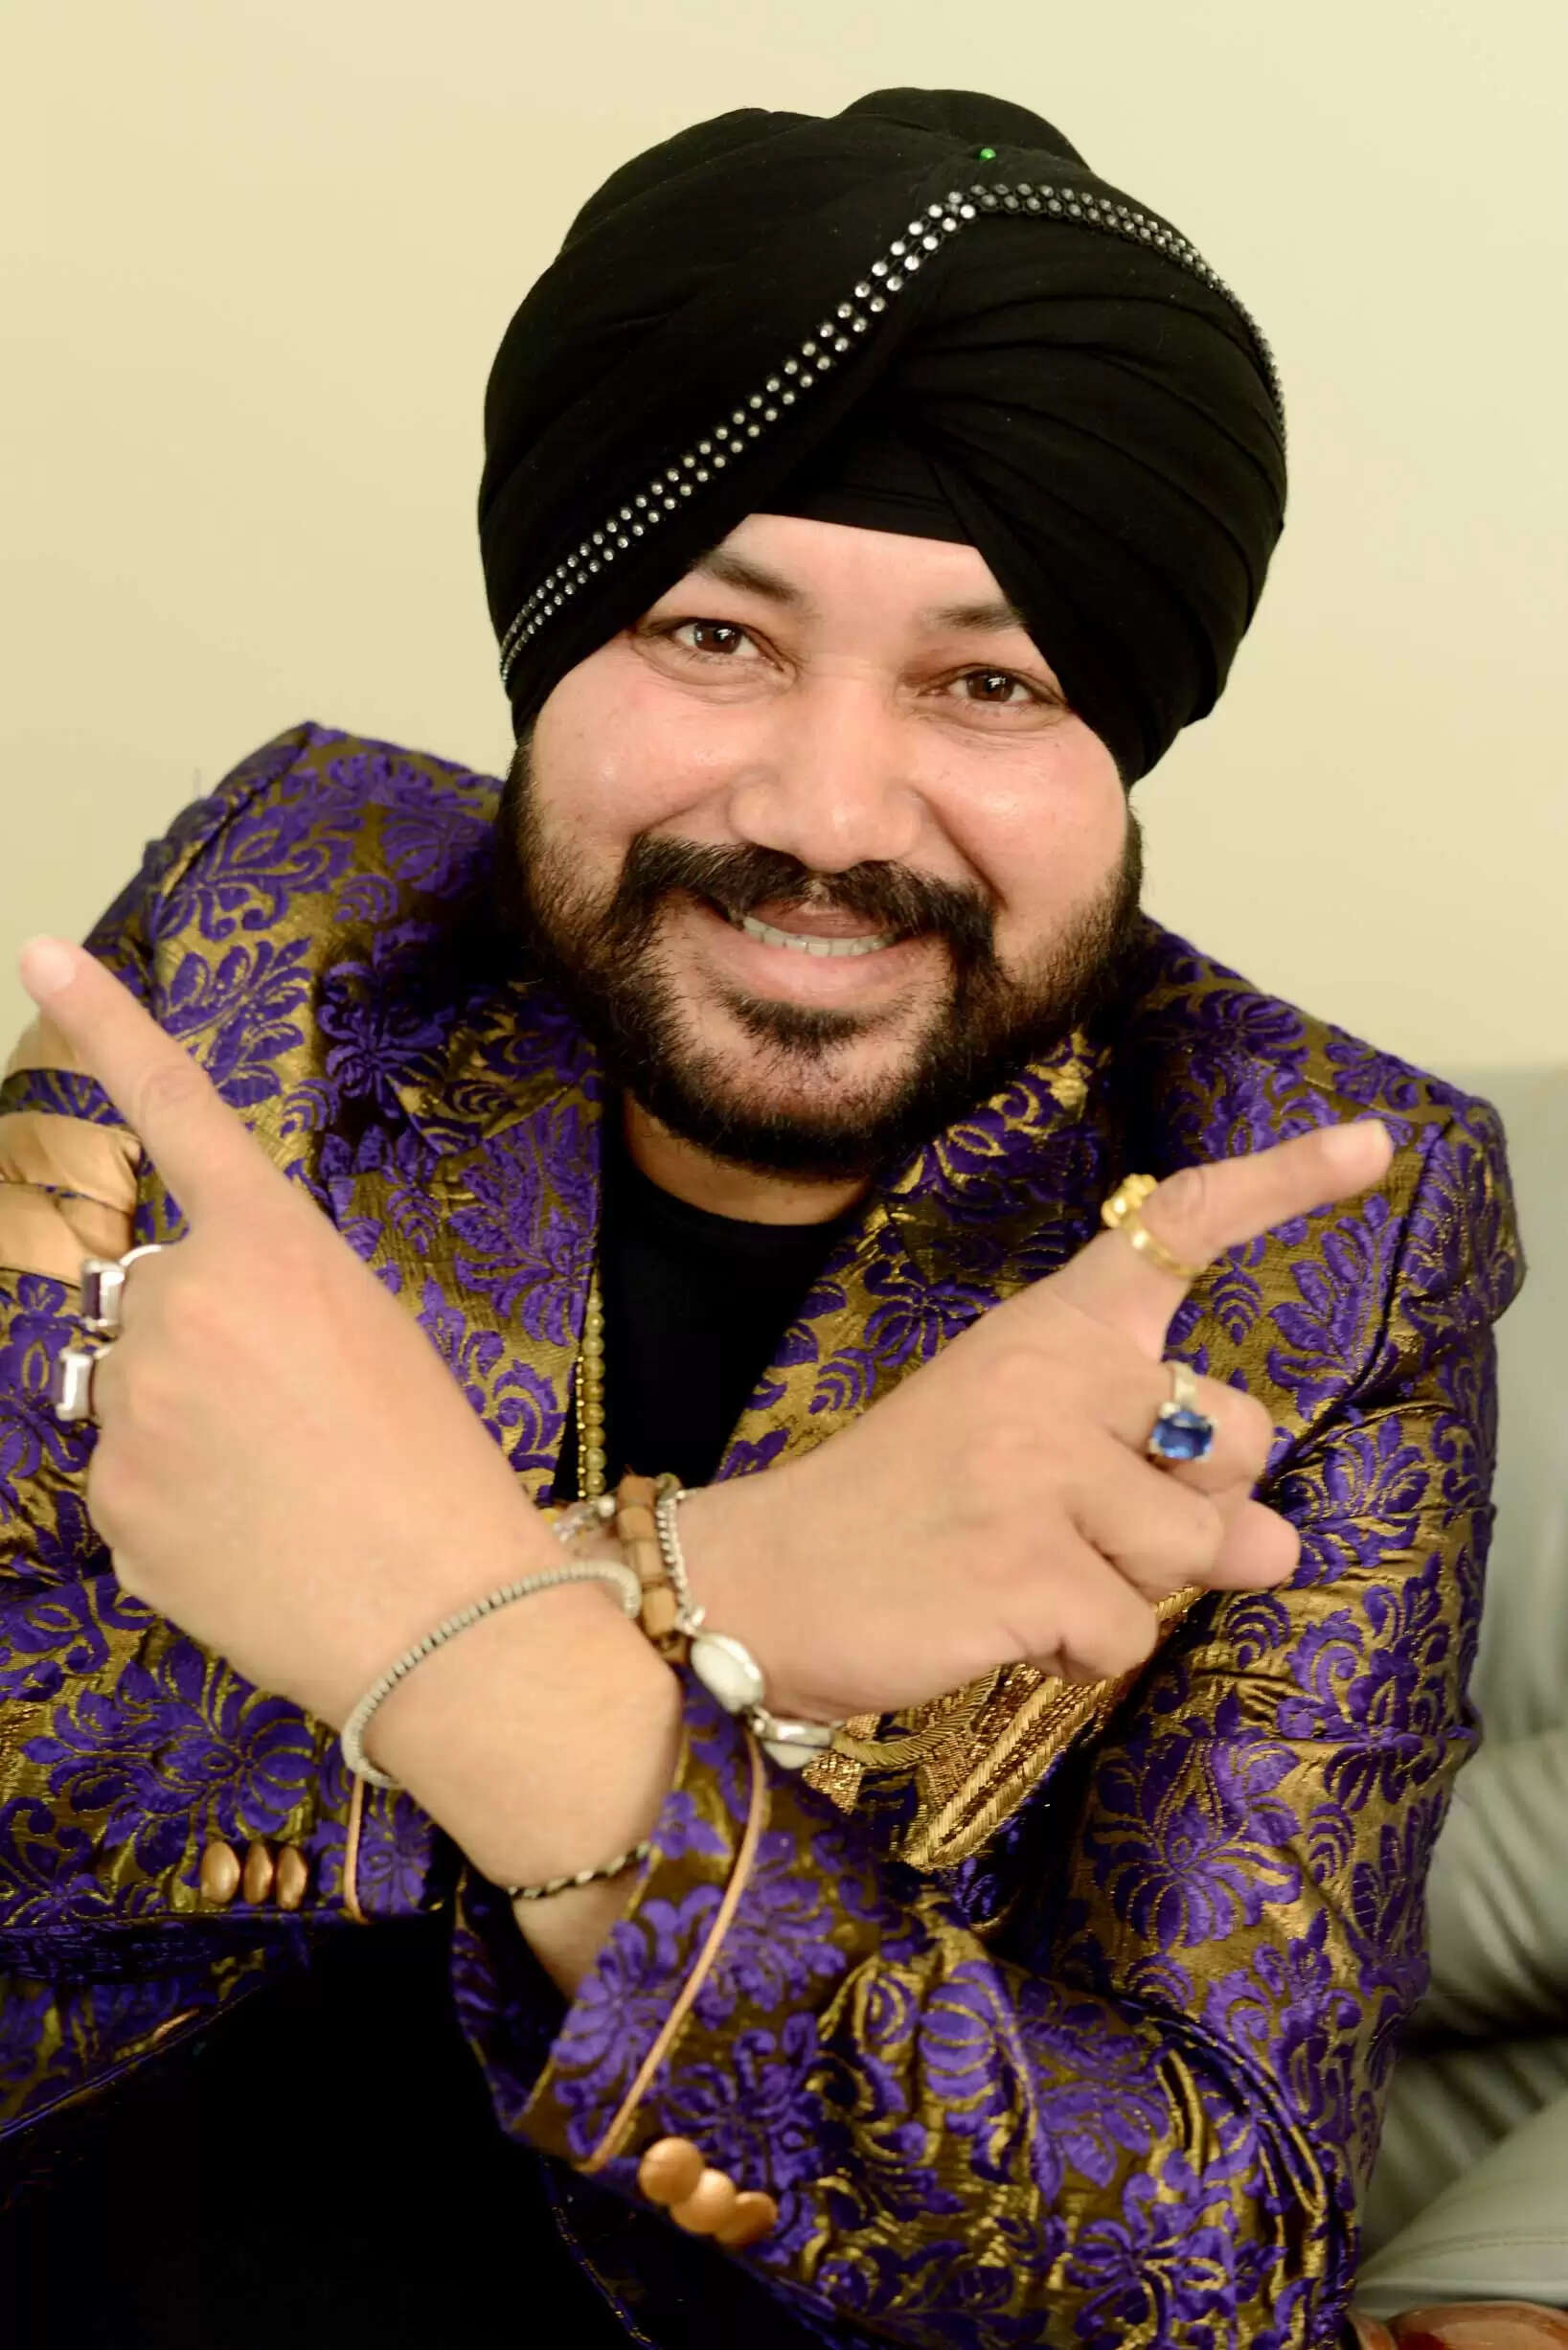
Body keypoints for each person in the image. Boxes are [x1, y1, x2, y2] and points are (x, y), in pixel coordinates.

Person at [0, 85, 1526, 2350]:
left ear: (1123, 749)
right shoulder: (294, 914)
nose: (824, 812)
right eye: (716, 638)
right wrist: (714, 1595)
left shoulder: (1322, 1221)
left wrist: (520, 1671)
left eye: (990, 683)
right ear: (552, 653)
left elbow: (1203, 2263)